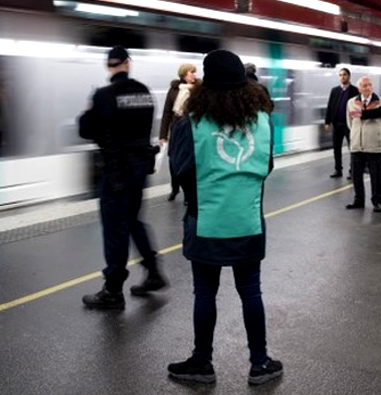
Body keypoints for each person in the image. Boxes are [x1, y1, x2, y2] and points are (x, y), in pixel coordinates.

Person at [167, 49, 282, 386]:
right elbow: (266, 168)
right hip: (247, 222)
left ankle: (202, 362)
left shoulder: (191, 124)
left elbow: (181, 170)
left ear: (205, 84)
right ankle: (260, 363)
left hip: (206, 224)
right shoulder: (263, 122)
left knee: (205, 294)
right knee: (251, 292)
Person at [79, 46, 167, 309]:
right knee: (132, 220)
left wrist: (88, 110)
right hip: (140, 168)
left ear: (109, 66)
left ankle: (113, 291)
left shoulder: (104, 95)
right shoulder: (145, 93)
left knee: (116, 228)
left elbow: (85, 129)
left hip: (116, 170)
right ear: (128, 63)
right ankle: (153, 272)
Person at [346, 76, 381, 211]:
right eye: (364, 85)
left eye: (370, 85)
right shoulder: (351, 102)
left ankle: (377, 202)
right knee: (356, 174)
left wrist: (376, 134)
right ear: (359, 88)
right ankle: (358, 200)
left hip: (374, 144)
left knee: (376, 175)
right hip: (356, 143)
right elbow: (349, 122)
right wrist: (356, 134)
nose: (368, 88)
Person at [159, 63, 197, 201]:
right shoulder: (174, 90)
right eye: (191, 72)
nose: (194, 74)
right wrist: (163, 135)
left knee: (189, 162)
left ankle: (188, 193)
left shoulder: (198, 89)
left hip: (192, 131)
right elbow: (167, 113)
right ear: (184, 74)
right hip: (176, 131)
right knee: (173, 160)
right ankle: (175, 189)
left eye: (194, 72)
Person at [324, 67, 359, 179]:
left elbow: (358, 107)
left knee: (352, 148)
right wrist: (327, 121)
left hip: (349, 124)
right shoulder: (334, 90)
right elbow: (330, 106)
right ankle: (338, 169)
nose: (342, 77)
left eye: (344, 75)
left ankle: (352, 170)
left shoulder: (355, 90)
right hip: (337, 123)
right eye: (340, 75)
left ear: (349, 76)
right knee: (336, 148)